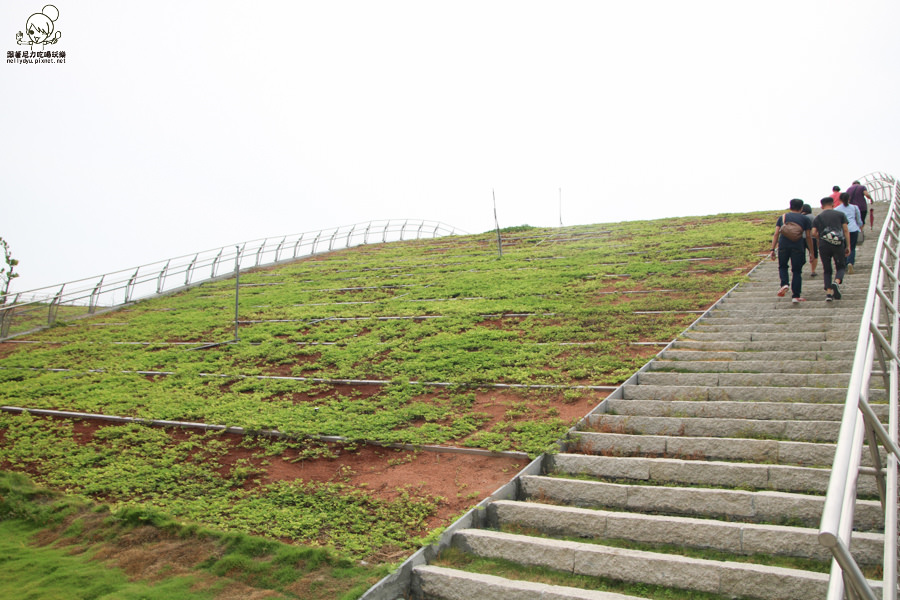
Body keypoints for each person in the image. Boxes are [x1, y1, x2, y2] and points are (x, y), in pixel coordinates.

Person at [770, 198, 814, 303]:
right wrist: (811, 252)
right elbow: (808, 236)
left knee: (783, 266)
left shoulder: (783, 217)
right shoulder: (805, 219)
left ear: (790, 206)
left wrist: (772, 249)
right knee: (797, 271)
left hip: (783, 246)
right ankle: (796, 296)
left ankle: (784, 284)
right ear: (801, 208)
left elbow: (776, 233)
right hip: (798, 246)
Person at [812, 196, 851, 302]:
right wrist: (848, 246)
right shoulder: (840, 215)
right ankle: (836, 282)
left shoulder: (818, 217)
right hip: (838, 244)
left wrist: (820, 238)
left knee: (827, 269)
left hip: (824, 245)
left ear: (821, 206)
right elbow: (846, 230)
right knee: (841, 266)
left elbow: (813, 233)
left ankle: (828, 293)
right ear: (833, 204)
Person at [834, 192, 863, 274]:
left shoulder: (837, 209)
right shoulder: (854, 207)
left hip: (842, 230)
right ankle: (850, 262)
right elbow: (858, 219)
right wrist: (860, 226)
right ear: (849, 199)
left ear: (840, 199)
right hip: (853, 229)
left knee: (843, 247)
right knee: (852, 247)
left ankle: (844, 264)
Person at [801, 203, 817, 277]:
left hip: (800, 238)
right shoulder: (813, 217)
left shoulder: (800, 217)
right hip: (811, 237)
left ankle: (799, 269)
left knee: (800, 254)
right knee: (814, 253)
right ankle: (813, 270)